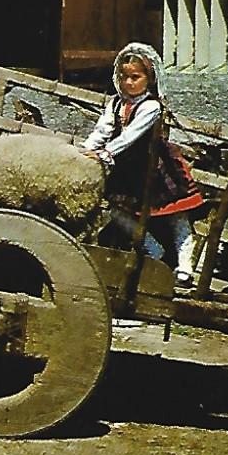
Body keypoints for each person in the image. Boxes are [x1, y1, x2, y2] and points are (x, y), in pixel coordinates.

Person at [81, 42, 205, 285]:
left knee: (176, 216)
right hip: (126, 169)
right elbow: (102, 129)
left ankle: (185, 265)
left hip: (154, 168)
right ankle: (153, 249)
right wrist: (87, 150)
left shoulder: (151, 107)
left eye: (135, 77)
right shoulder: (116, 104)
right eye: (124, 77)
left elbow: (130, 136)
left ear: (149, 78)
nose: (129, 83)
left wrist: (106, 153)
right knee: (117, 212)